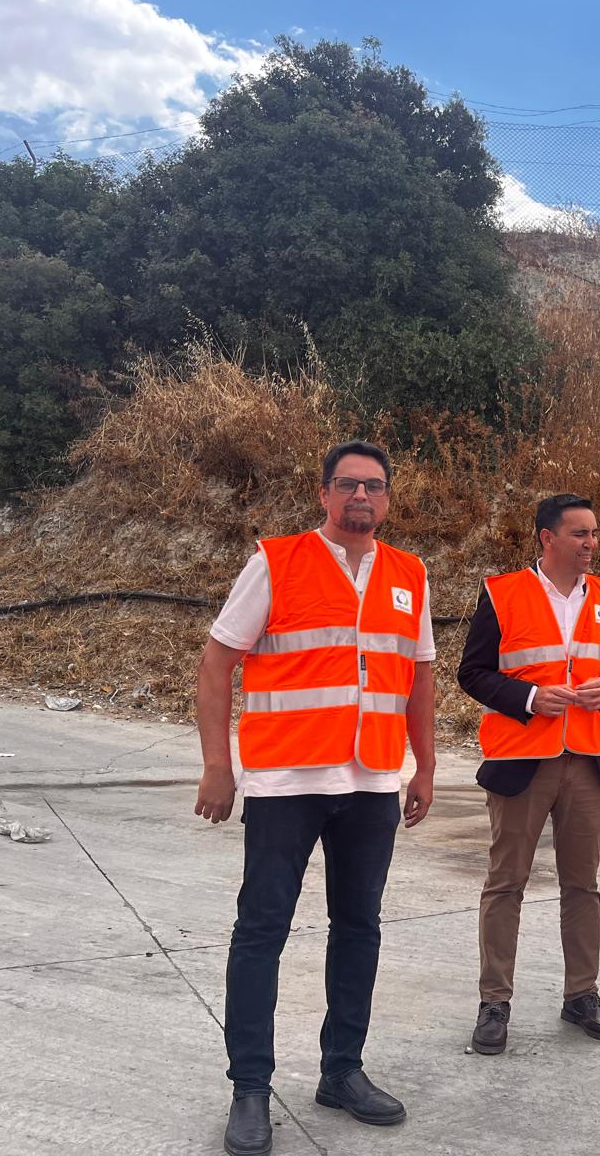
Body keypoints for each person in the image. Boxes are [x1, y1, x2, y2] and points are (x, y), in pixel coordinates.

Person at [194, 440, 436, 1156]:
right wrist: (217, 765)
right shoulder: (277, 560)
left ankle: (342, 1071)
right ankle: (249, 1088)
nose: (361, 497)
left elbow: (418, 675)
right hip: (285, 782)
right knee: (261, 930)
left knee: (359, 927)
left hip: (369, 784)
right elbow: (216, 664)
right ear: (324, 493)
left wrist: (424, 766)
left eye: (374, 487)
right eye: (347, 485)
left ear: (388, 499)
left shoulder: (409, 573)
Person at [457, 493, 600, 1054]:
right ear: (547, 539)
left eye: (595, 533)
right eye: (580, 534)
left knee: (583, 885)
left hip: (587, 761)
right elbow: (473, 672)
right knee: (506, 884)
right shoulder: (502, 593)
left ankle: (581, 994)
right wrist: (530, 697)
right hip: (520, 764)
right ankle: (494, 1003)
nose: (591, 545)